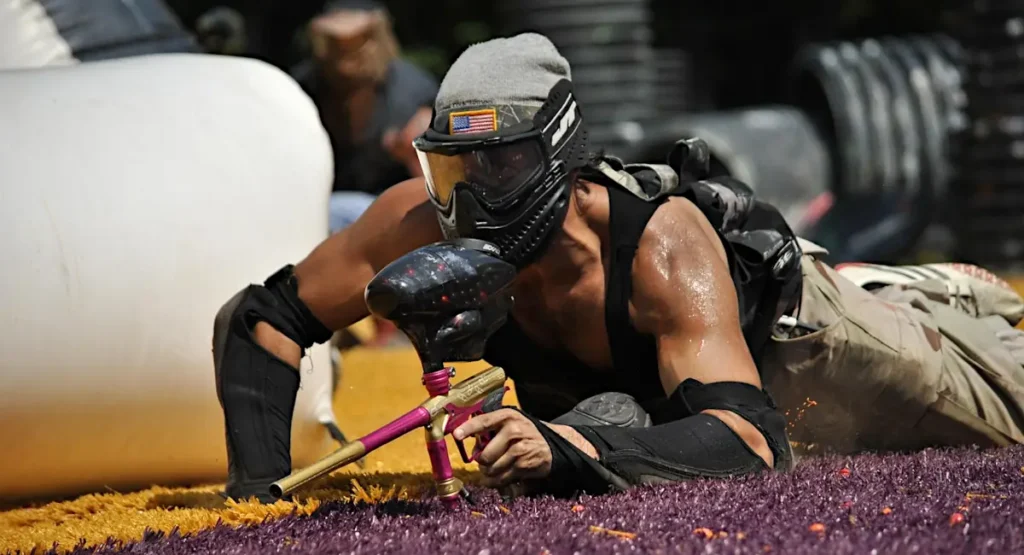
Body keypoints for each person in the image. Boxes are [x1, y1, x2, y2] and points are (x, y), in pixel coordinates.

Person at [212, 33, 1024, 502]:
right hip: (658, 392)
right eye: (455, 170)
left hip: (802, 344)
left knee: (1008, 410)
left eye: (499, 166)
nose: (473, 199)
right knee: (605, 426)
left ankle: (918, 295)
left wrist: (562, 448)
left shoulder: (659, 243)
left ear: (561, 153)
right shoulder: (414, 221)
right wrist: (262, 494)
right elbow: (260, 322)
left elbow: (750, 437)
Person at [290, 0, 438, 236]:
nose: (348, 54)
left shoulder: (414, 94)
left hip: (391, 209)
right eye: (336, 42)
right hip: (315, 207)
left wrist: (412, 155)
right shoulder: (299, 91)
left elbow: (438, 194)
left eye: (361, 39)